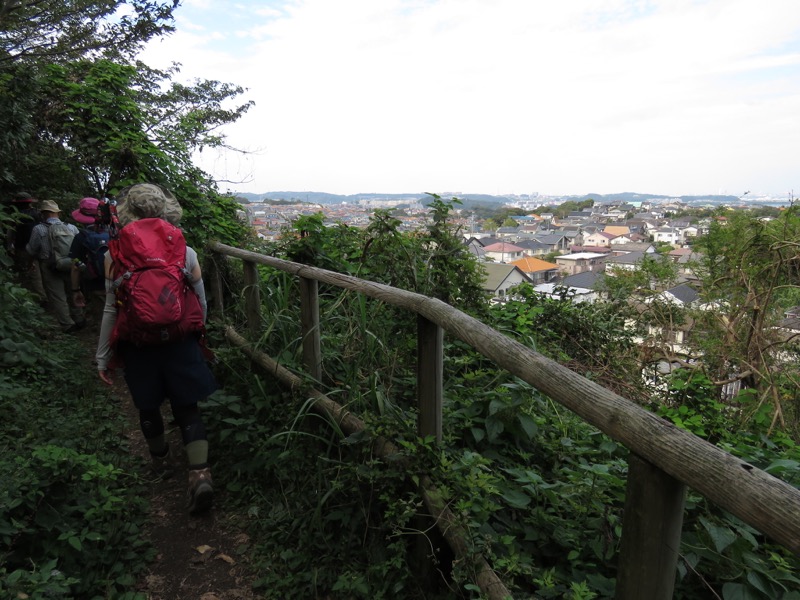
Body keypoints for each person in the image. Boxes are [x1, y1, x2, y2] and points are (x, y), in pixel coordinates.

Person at [96, 183, 217, 516]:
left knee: (147, 406)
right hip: (179, 340)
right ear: (165, 211)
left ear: (127, 213)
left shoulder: (115, 254)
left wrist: (102, 355)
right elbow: (200, 301)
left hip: (138, 343)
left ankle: (160, 461)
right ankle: (200, 473)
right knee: (187, 407)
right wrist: (196, 334)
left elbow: (111, 308)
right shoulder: (184, 250)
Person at [25, 199, 86, 332]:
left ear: (43, 213)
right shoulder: (71, 227)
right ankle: (79, 318)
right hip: (70, 264)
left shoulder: (38, 229)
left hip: (49, 265)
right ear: (57, 213)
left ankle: (67, 324)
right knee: (73, 290)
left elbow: (32, 250)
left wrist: (30, 264)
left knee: (57, 295)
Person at [69, 197, 110, 309]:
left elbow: (75, 266)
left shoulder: (81, 237)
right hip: (116, 287)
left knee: (102, 321)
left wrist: (75, 290)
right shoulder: (113, 232)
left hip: (96, 289)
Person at [5, 192, 46, 299]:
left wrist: (10, 246)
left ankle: (40, 297)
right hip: (42, 247)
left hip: (24, 248)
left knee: (33, 274)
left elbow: (10, 233)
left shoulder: (16, 216)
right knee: (45, 271)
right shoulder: (38, 214)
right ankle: (46, 295)